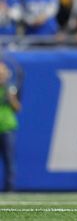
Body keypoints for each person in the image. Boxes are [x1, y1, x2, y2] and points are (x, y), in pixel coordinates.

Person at [0, 61, 20, 191]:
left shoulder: (10, 89)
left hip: (7, 128)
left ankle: (9, 188)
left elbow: (17, 108)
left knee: (9, 160)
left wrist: (9, 94)